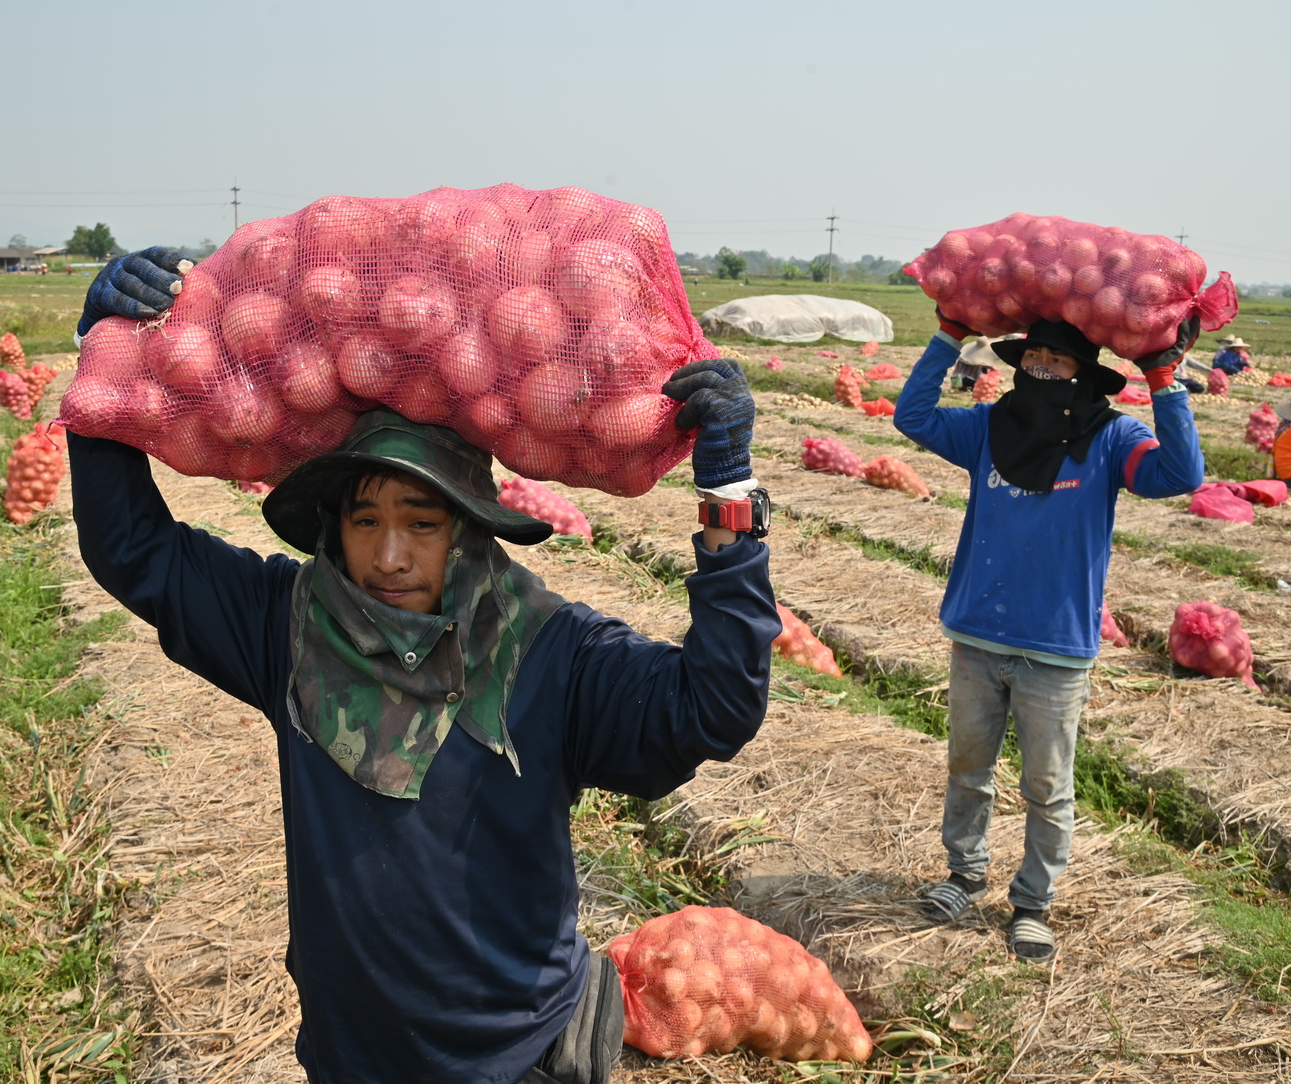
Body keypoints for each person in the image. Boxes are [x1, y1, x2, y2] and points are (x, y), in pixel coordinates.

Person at [67, 247, 778, 1084]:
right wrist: (104, 358)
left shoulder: (551, 652)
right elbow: (134, 549)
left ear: (470, 529)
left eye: (423, 522)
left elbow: (712, 707)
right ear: (334, 529)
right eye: (365, 521)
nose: (390, 556)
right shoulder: (290, 627)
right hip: (352, 1061)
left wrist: (730, 498)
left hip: (521, 1059)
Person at [894, 311, 1203, 964]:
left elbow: (1181, 476)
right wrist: (947, 336)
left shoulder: (1112, 437)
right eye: (1032, 354)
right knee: (968, 769)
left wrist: (1164, 379)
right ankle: (963, 876)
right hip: (978, 633)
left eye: (1055, 359)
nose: (1039, 365)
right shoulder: (988, 428)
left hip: (1056, 647)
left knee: (1046, 784)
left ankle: (1032, 902)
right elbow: (912, 417)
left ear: (1082, 373)